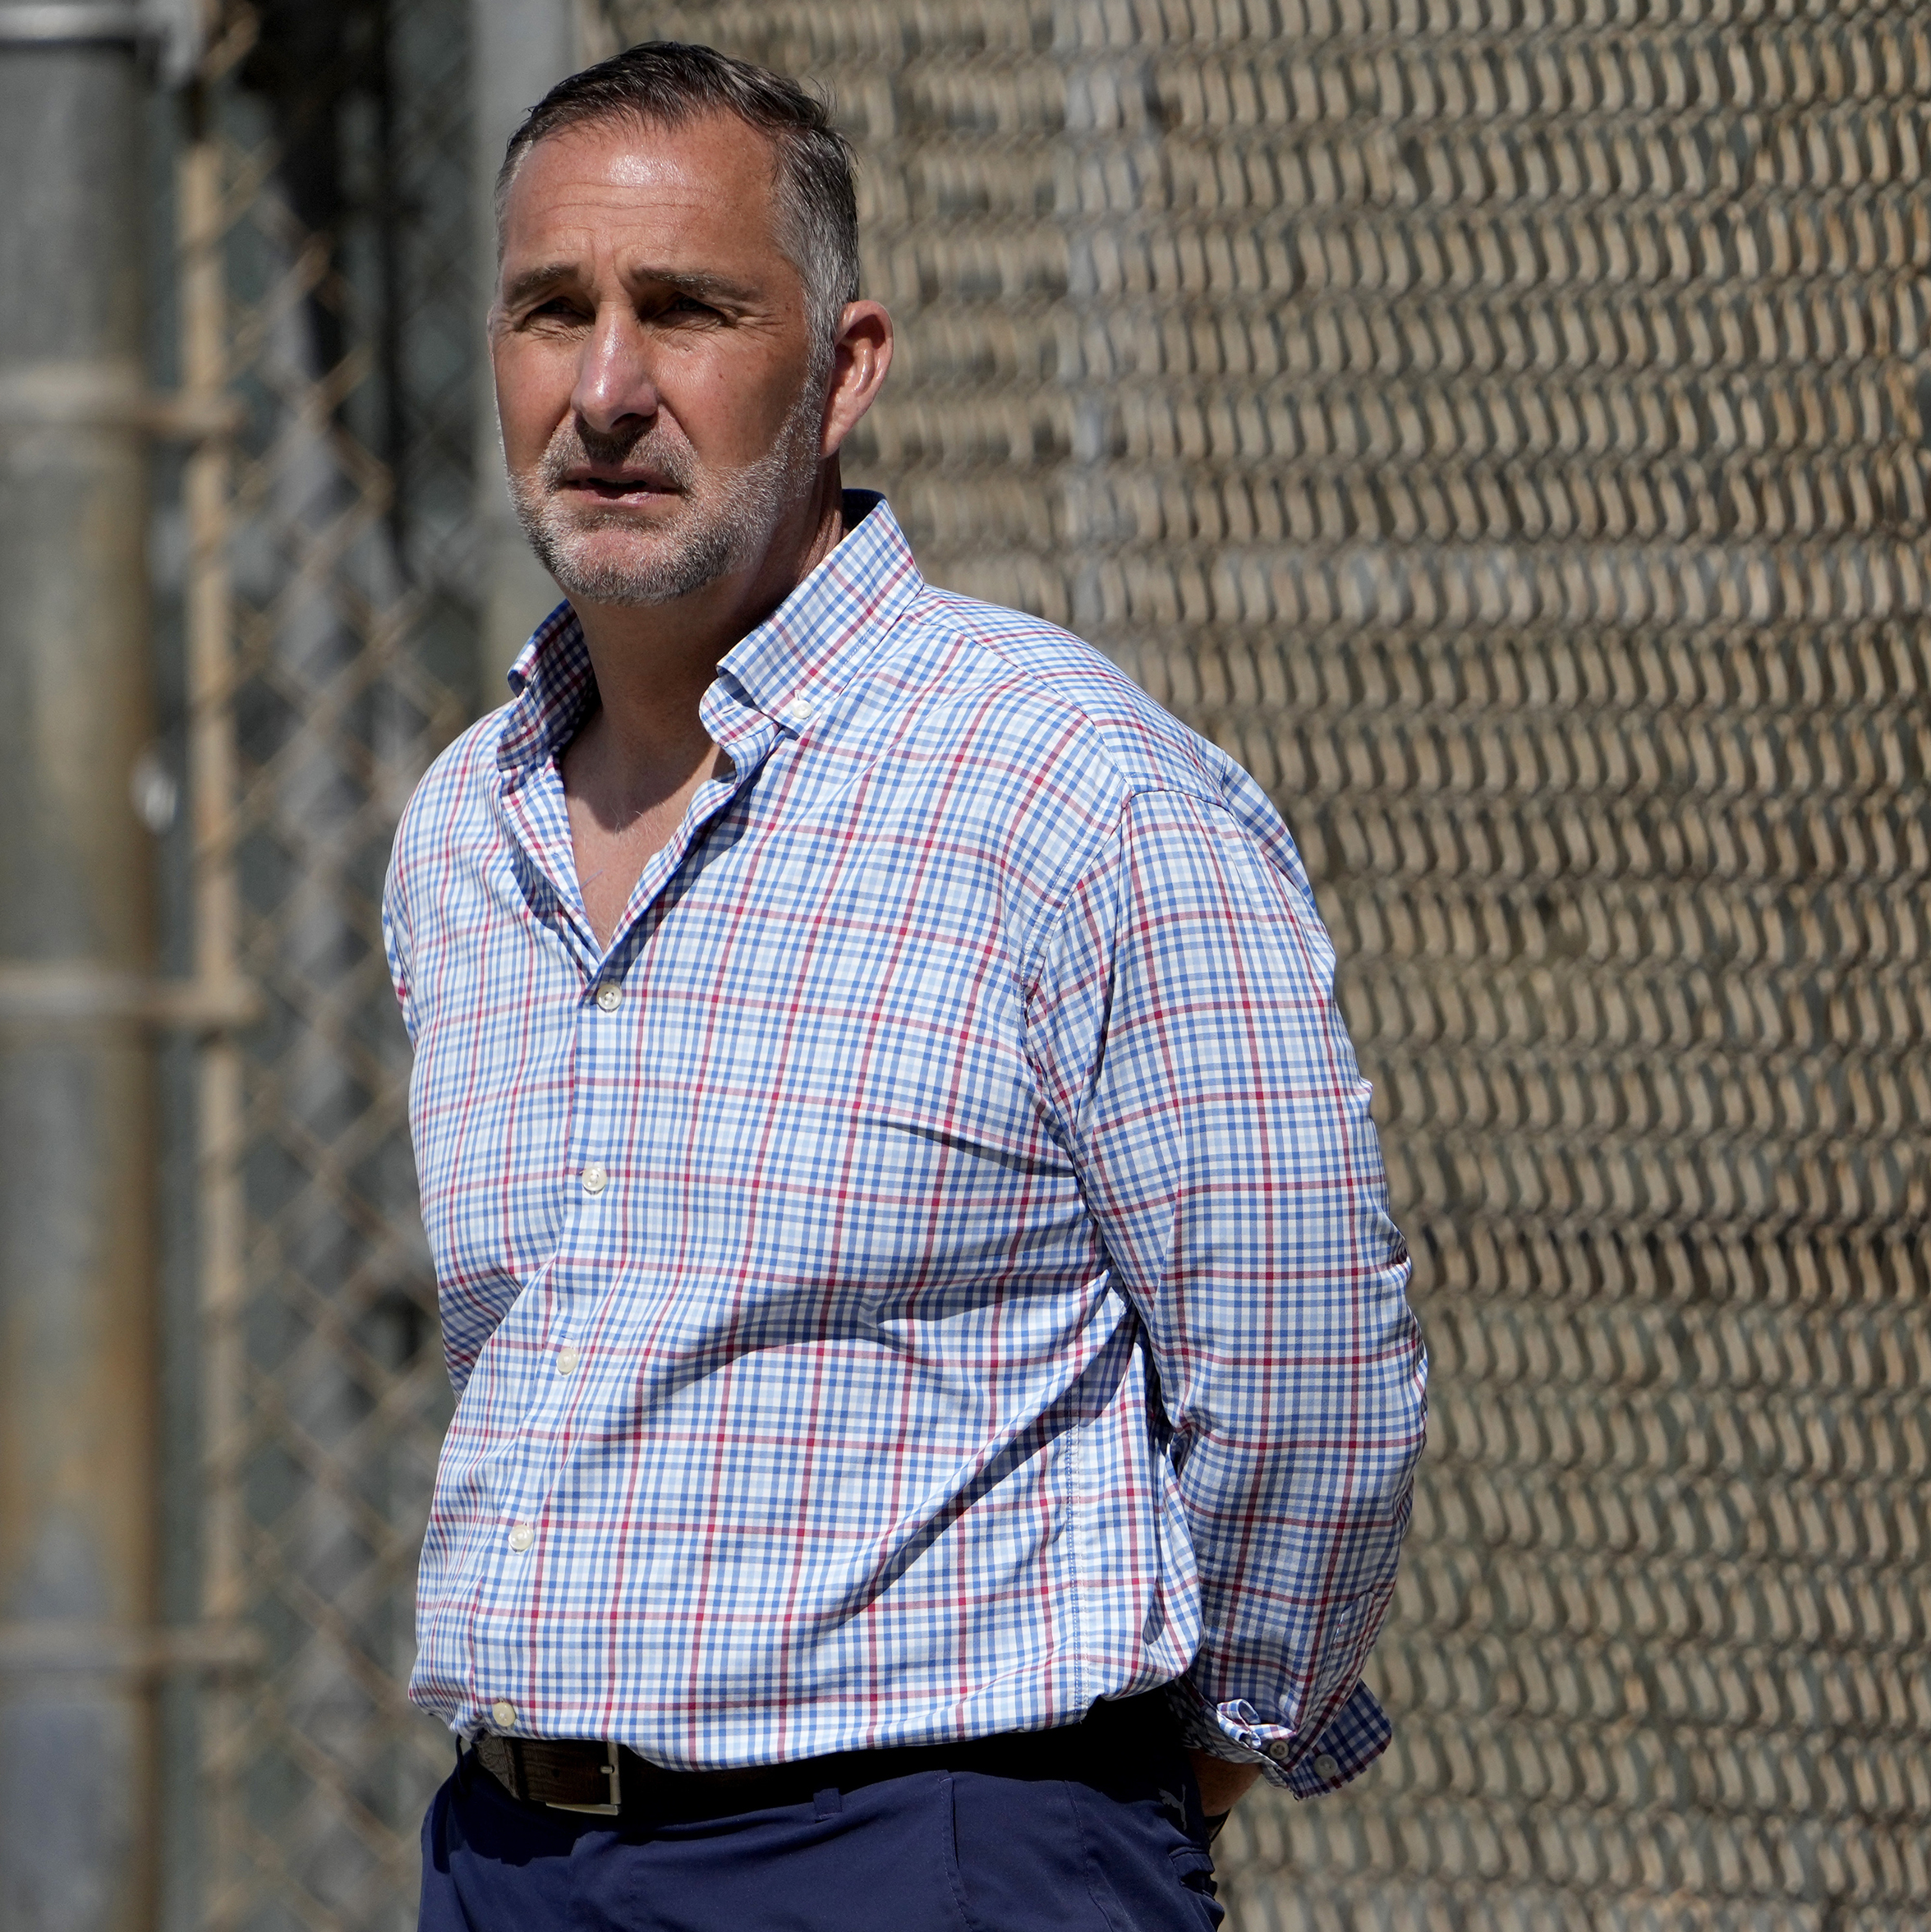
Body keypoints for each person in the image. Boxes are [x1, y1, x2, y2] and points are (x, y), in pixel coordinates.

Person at [384, 40, 1428, 1931]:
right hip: (514, 1857)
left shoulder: (1070, 791)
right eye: (552, 311)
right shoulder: (468, 825)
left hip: (926, 1853)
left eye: (685, 310)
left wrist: (1192, 1759)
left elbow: (1304, 1372)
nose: (605, 389)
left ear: (845, 367)